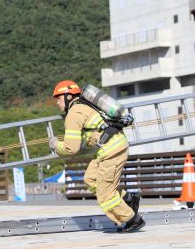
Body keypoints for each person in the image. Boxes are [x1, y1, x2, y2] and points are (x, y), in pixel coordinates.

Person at [49, 80, 144, 233]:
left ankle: (132, 220)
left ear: (67, 96)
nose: (57, 103)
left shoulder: (74, 114)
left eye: (58, 98)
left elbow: (70, 148)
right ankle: (128, 199)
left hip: (111, 151)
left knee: (105, 196)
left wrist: (55, 145)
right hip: (110, 148)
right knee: (90, 179)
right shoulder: (84, 105)